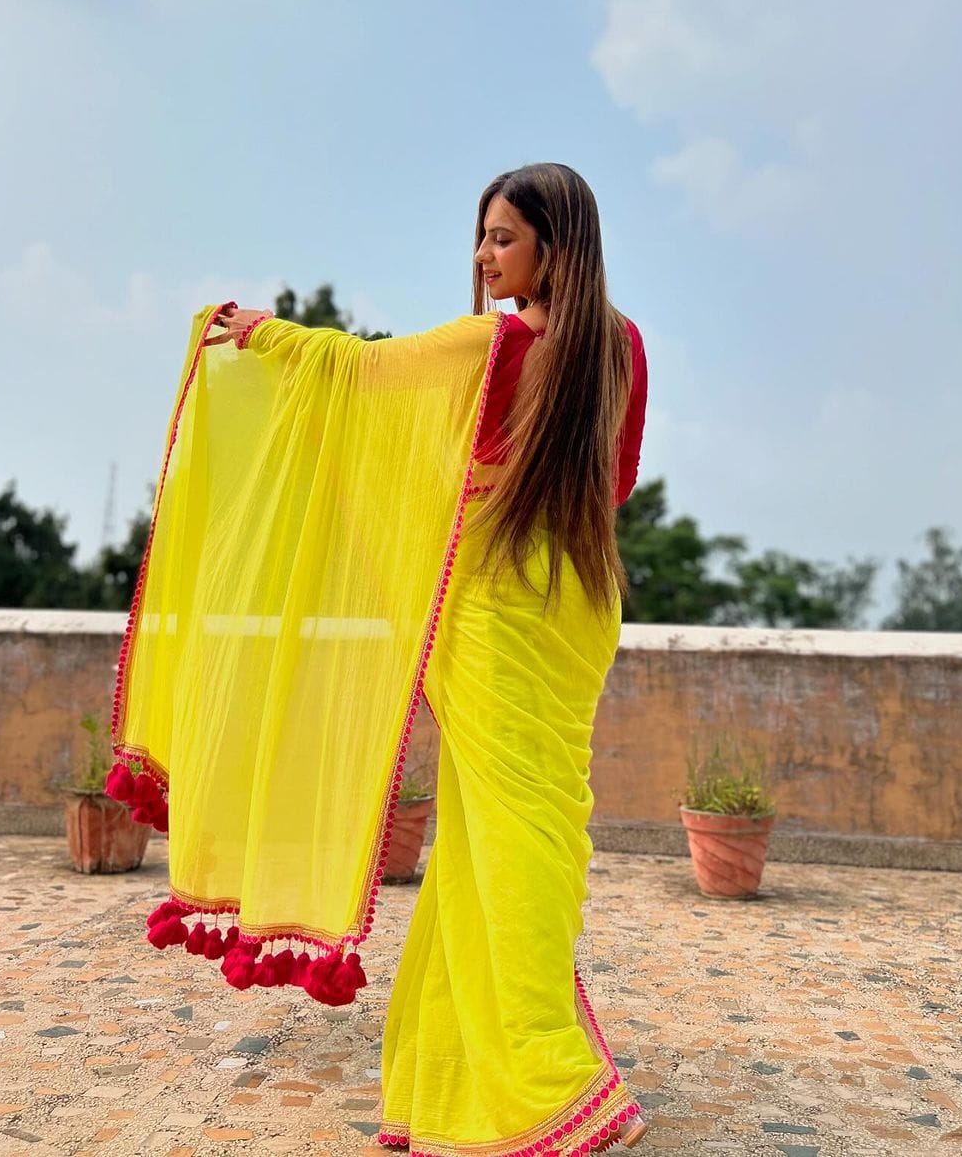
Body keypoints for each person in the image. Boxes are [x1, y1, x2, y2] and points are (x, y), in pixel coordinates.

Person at [110, 163, 649, 1157]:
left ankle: (546, 1080)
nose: (485, 258)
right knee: (525, 825)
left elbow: (359, 378)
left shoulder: (492, 344)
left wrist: (263, 337)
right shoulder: (622, 347)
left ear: (554, 247)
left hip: (494, 608)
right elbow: (614, 484)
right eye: (482, 238)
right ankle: (453, 1078)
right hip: (577, 601)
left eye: (502, 238)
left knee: (504, 834)